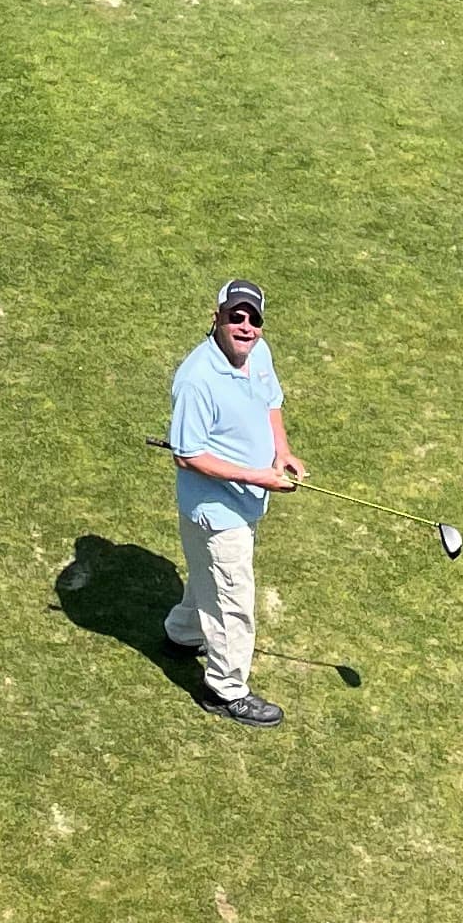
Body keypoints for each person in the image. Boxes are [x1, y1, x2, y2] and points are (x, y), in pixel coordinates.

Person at [165, 278, 301, 726]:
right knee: (233, 598)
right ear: (217, 318)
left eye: (254, 319)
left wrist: (282, 452)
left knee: (211, 578)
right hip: (216, 511)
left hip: (246, 501)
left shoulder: (258, 353)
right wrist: (256, 476)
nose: (246, 327)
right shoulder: (196, 379)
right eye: (235, 317)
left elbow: (271, 402)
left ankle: (183, 632)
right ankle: (224, 690)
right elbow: (187, 455)